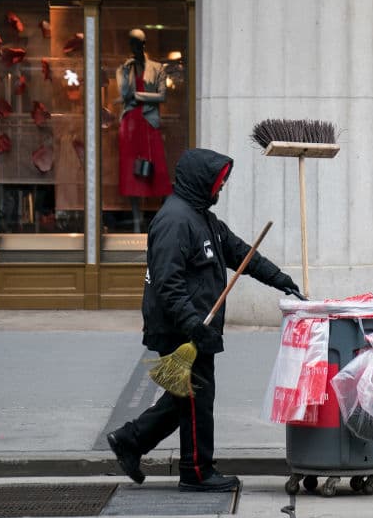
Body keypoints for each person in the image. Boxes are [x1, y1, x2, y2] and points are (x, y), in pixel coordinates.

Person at [107, 147, 301, 491]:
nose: (221, 188)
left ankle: (130, 441)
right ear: (200, 181)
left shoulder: (202, 217)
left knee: (186, 398)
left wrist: (279, 279)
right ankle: (196, 472)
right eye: (218, 182)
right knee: (197, 398)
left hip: (196, 323)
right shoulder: (174, 221)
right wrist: (193, 325)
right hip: (179, 327)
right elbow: (168, 283)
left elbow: (241, 253)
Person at [117, 28, 172, 231]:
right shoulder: (125, 68)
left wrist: (139, 96)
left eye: (138, 43)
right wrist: (125, 72)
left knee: (157, 171)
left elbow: (162, 95)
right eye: (131, 43)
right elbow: (124, 94)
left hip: (149, 123)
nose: (135, 47)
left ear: (144, 44)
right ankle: (137, 221)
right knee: (131, 173)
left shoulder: (157, 68)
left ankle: (161, 220)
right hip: (130, 124)